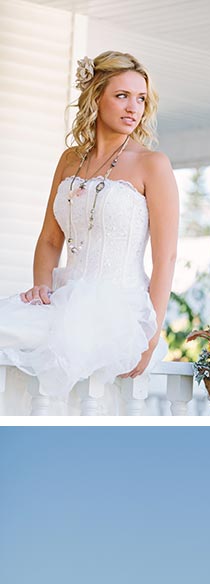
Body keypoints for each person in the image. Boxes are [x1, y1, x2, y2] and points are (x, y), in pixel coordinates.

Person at [0, 51, 180, 412]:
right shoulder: (70, 160)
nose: (134, 108)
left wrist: (151, 334)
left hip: (118, 308)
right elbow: (51, 239)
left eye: (141, 98)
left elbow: (166, 257)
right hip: (63, 298)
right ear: (96, 97)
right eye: (122, 96)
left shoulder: (152, 165)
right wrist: (42, 289)